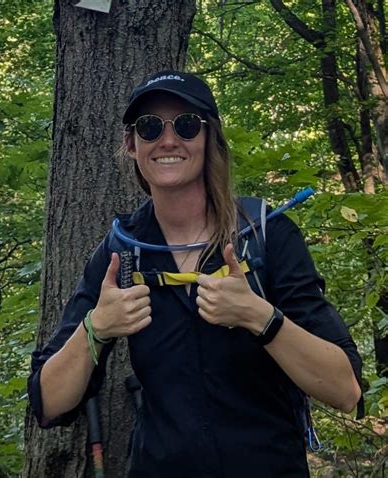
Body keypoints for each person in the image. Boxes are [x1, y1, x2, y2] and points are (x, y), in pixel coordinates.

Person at [28, 70, 363, 477]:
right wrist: (95, 328)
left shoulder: (265, 235)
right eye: (150, 127)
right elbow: (49, 403)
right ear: (132, 145)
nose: (168, 141)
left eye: (186, 125)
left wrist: (260, 317)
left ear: (210, 139)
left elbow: (346, 390)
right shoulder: (123, 253)